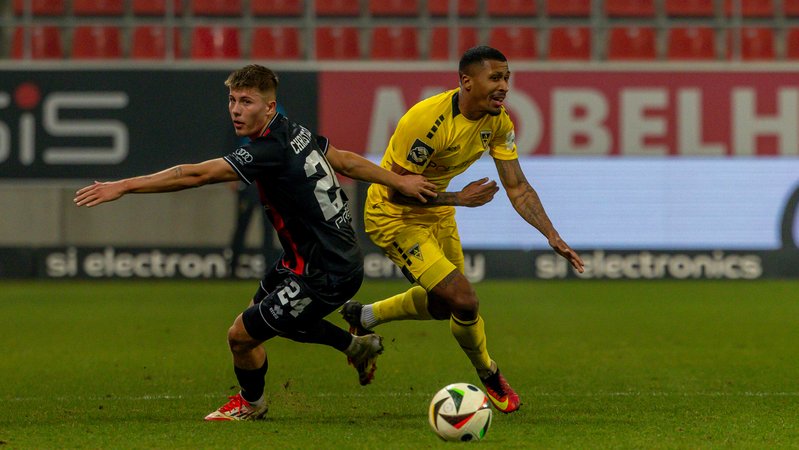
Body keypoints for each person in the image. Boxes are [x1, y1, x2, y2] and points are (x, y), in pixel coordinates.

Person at [73, 64, 436, 421]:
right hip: (305, 259)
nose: (235, 109)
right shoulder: (294, 131)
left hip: (327, 270)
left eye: (246, 101)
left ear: (269, 106)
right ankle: (355, 346)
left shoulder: (269, 149)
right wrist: (398, 181)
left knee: (241, 336)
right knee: (261, 321)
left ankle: (252, 405)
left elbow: (196, 174)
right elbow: (345, 161)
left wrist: (124, 185)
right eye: (232, 100)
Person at [340, 46, 585, 414]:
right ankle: (489, 372)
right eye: (495, 78)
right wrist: (458, 198)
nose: (504, 87)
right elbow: (397, 191)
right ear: (467, 82)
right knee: (464, 300)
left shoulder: (498, 122)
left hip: (436, 212)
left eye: (507, 78)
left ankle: (364, 317)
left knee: (444, 306)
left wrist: (551, 235)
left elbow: (517, 187)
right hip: (394, 215)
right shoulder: (426, 122)